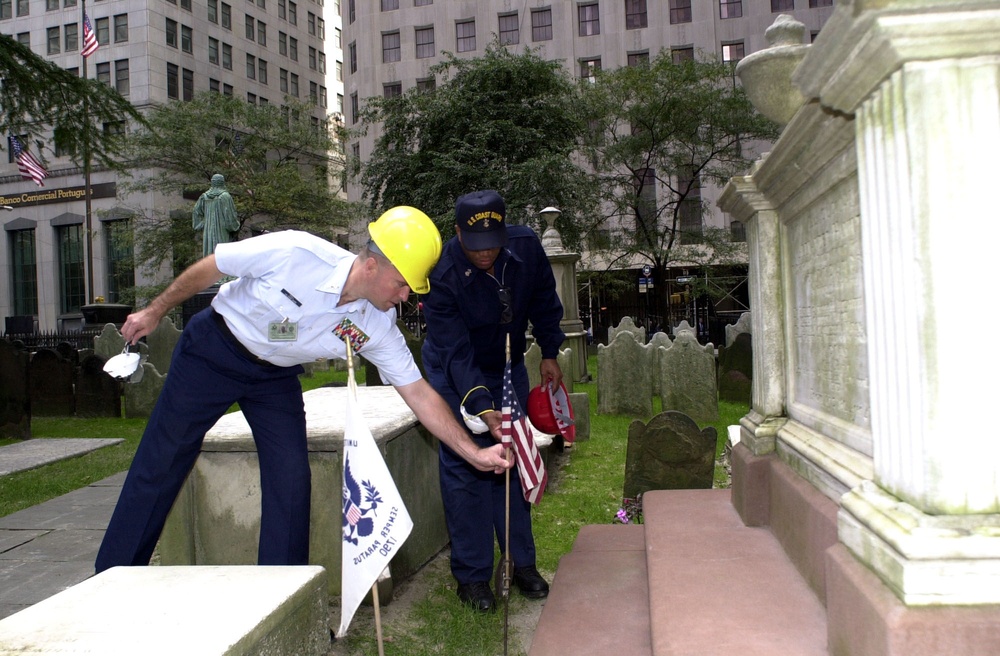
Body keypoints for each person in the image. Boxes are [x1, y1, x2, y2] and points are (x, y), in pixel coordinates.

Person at [95, 206, 511, 573]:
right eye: (403, 284)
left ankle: (280, 595)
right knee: (163, 458)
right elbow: (213, 266)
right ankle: (113, 577)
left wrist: (473, 452)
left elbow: (419, 393)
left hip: (274, 376)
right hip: (214, 349)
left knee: (292, 480)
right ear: (373, 265)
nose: (406, 297)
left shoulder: (376, 325)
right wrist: (154, 311)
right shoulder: (296, 253)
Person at [421, 190, 565, 612]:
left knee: (512, 459)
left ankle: (521, 563)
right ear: (458, 233)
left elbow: (543, 298)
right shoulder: (441, 274)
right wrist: (483, 409)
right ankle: (472, 574)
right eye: (475, 245)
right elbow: (456, 353)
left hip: (508, 367)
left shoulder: (524, 247)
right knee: (466, 466)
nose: (486, 254)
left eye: (493, 243)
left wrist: (551, 351)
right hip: (455, 372)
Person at [192, 174, 240, 259]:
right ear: (222, 183)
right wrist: (234, 226)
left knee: (209, 252)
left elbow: (196, 211)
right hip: (222, 231)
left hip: (208, 230)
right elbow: (230, 217)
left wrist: (202, 224)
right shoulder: (225, 196)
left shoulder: (205, 196)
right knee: (222, 254)